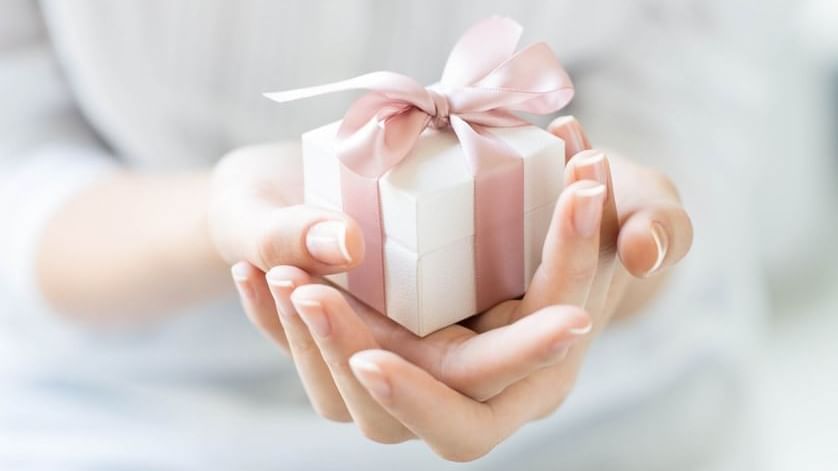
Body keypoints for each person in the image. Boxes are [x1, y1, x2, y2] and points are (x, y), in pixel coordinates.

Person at [0, 1, 765, 469]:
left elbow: (695, 109)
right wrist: (218, 219)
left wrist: (615, 244)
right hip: (135, 415)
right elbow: (20, 177)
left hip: (616, 407)